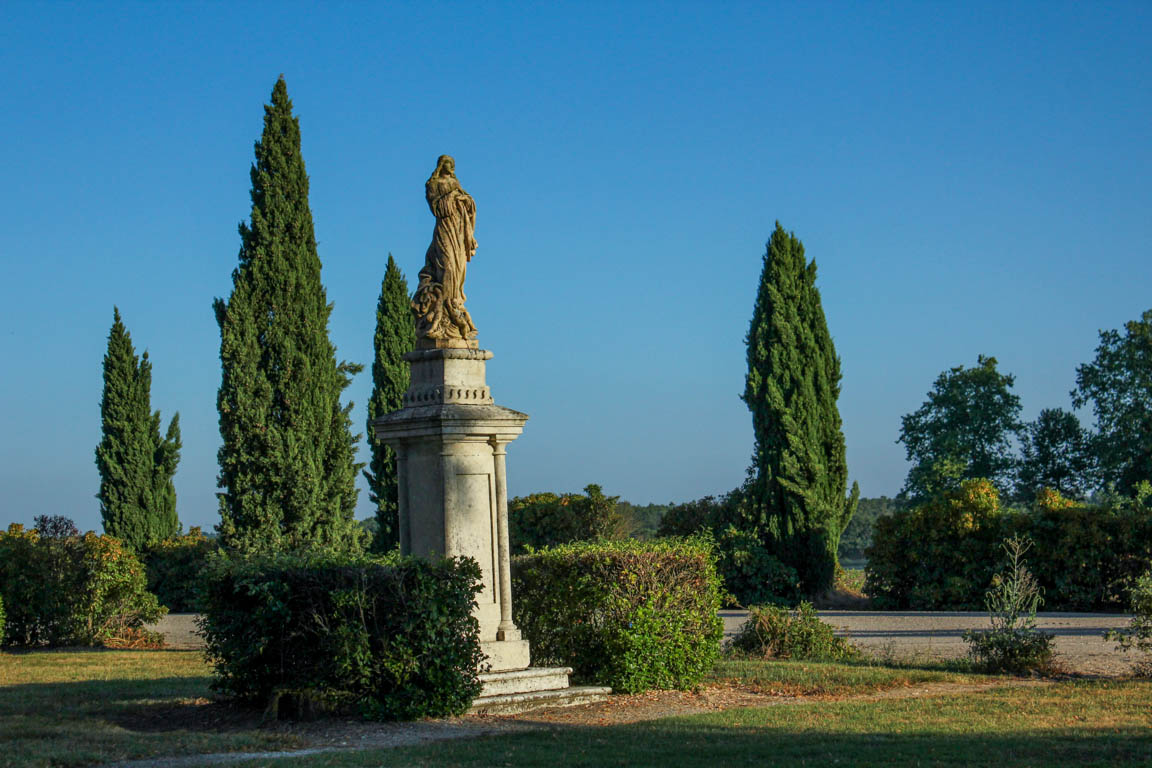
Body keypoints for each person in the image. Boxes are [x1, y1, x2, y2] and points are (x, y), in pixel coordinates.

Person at [412, 155, 478, 341]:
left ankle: (455, 304)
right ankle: (447, 311)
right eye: (449, 164)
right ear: (442, 165)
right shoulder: (432, 184)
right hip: (444, 229)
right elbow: (436, 208)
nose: (452, 167)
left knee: (458, 267)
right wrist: (452, 197)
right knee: (447, 266)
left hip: (458, 229)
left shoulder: (455, 182)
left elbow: (469, 203)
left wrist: (465, 199)